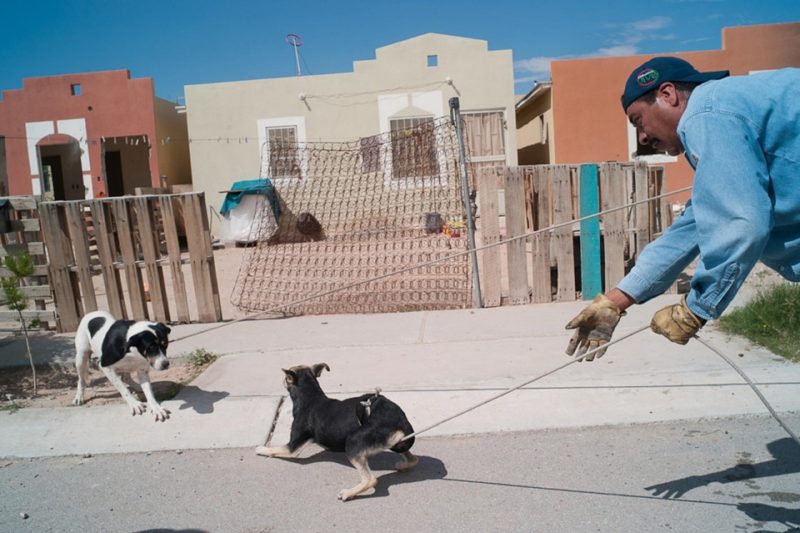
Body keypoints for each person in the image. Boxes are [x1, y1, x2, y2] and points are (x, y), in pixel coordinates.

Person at [565, 56, 800, 361]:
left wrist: (697, 308)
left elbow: (741, 222)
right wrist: (614, 302)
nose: (643, 138)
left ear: (667, 94)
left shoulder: (706, 112)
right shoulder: (727, 111)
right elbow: (695, 224)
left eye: (638, 121)